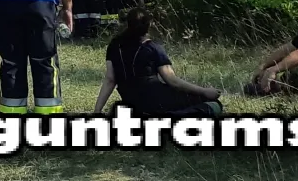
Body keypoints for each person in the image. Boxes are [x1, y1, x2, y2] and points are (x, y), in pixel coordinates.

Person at [94, 8, 225, 116]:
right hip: (157, 101)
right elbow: (172, 81)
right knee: (214, 104)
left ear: (128, 24)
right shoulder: (153, 48)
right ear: (149, 25)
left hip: (132, 103)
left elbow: (110, 79)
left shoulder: (114, 46)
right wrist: (204, 91)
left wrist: (97, 111)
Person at [245, 23, 298, 96]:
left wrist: (274, 70)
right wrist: (263, 66)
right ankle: (272, 87)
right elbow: (291, 47)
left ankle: (276, 89)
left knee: (297, 74)